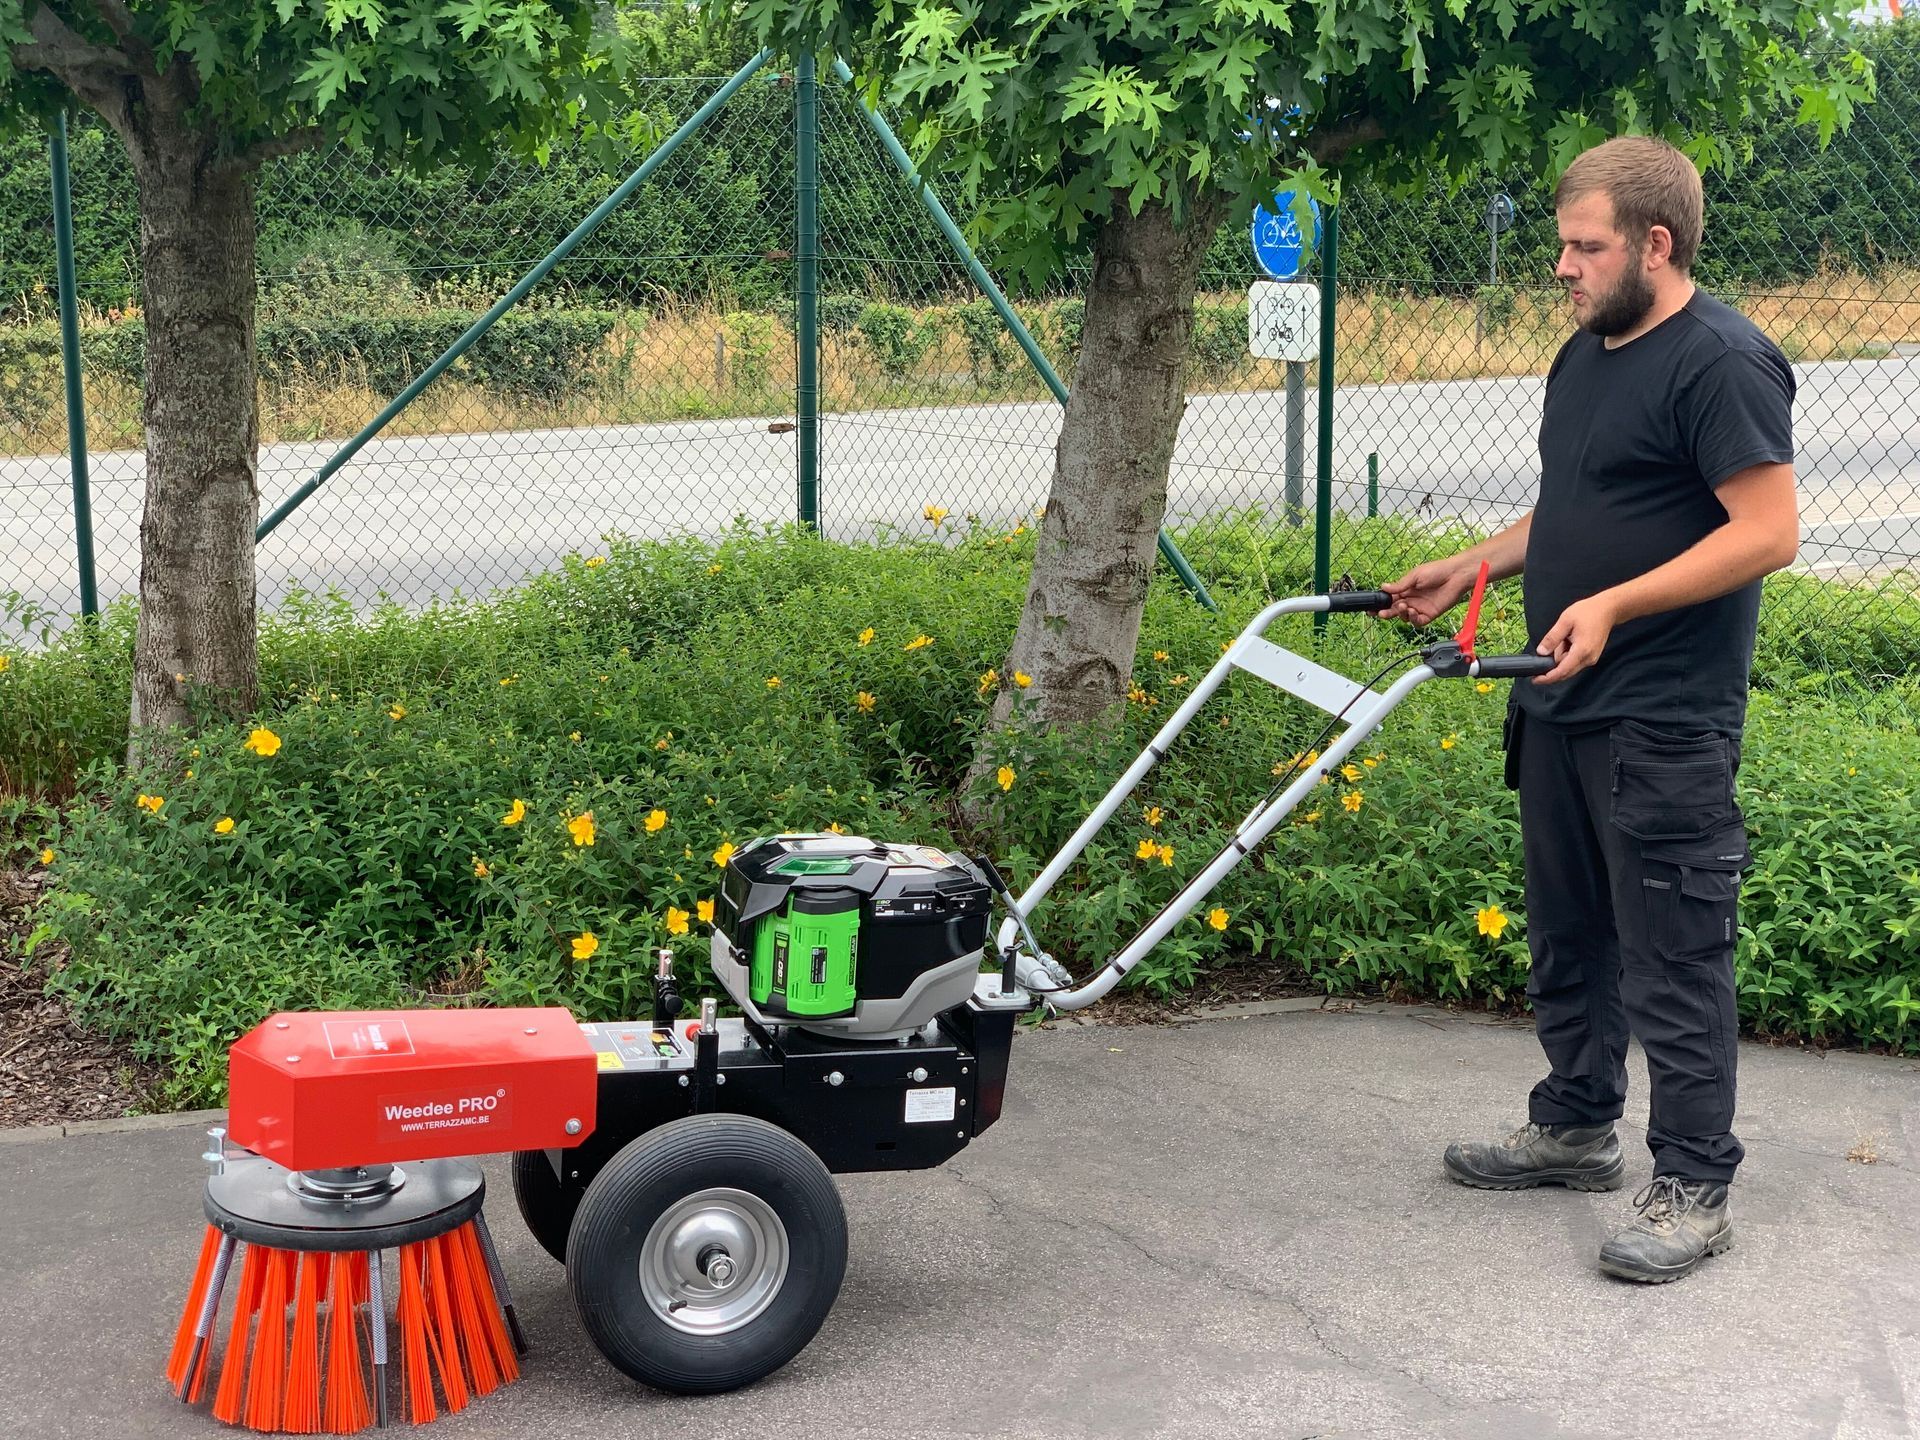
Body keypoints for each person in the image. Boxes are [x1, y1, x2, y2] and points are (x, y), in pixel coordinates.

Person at [1380, 136, 1800, 1283]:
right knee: (1570, 936)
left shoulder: (1723, 362)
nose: (1560, 267)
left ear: (1654, 246)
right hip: (1558, 703)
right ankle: (1573, 1125)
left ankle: (1695, 1184)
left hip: (1662, 721)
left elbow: (1768, 530)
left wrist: (1614, 603)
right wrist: (1475, 567)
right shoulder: (1587, 354)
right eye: (1562, 246)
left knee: (1674, 956)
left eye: (1583, 246)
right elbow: (1575, 502)